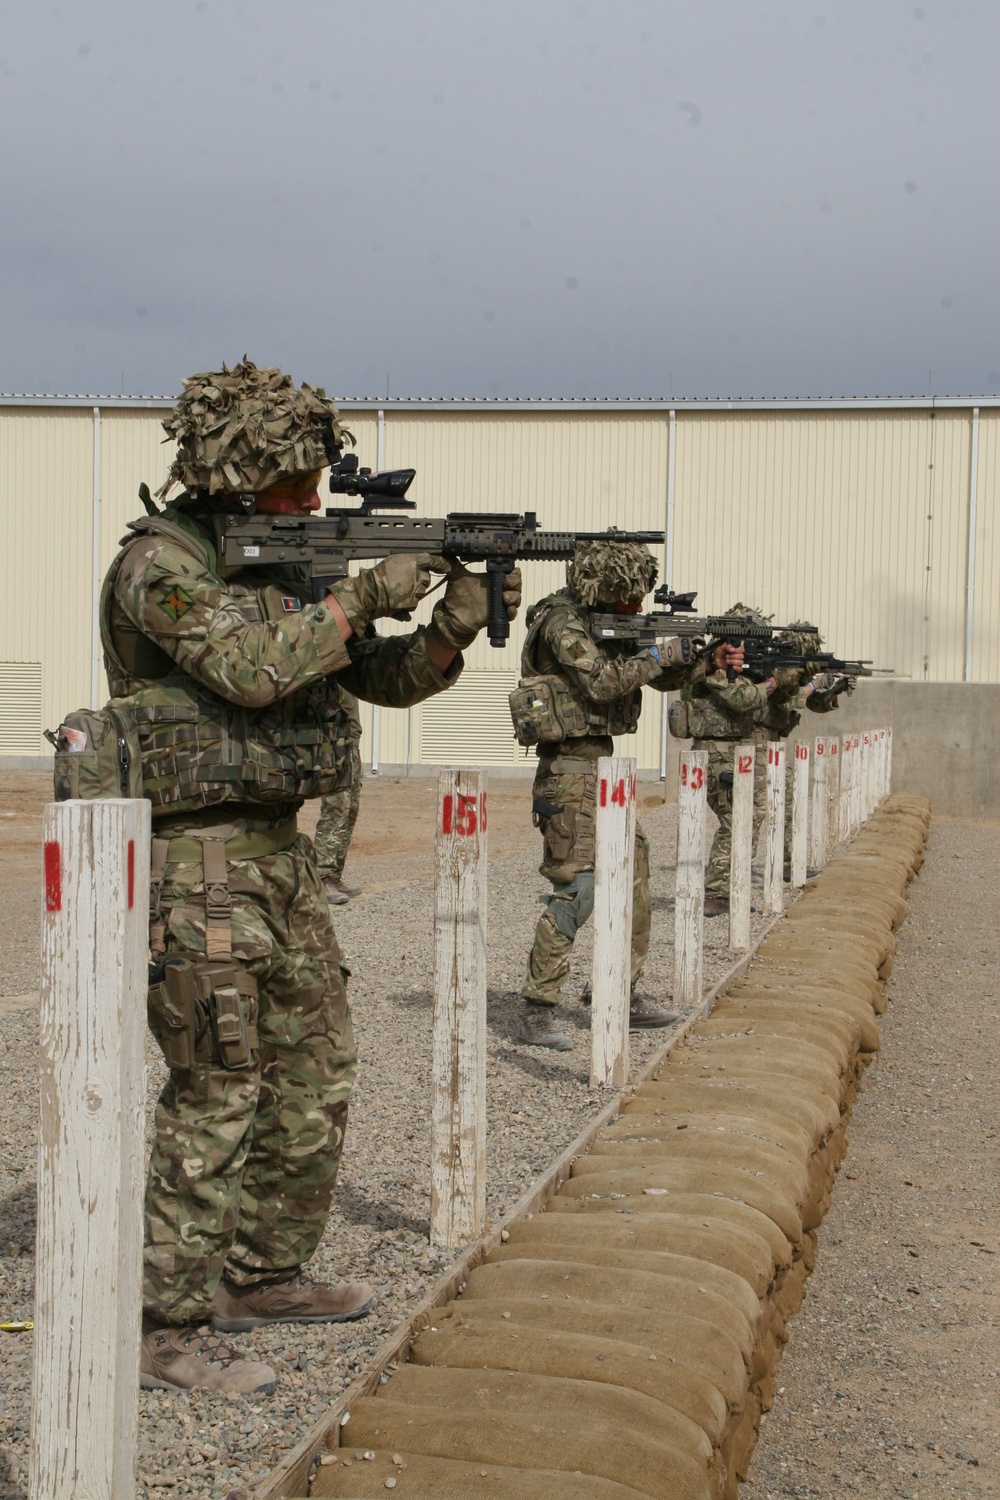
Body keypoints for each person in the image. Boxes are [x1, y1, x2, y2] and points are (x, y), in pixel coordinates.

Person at [101, 360, 520, 1394]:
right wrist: (361, 594)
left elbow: (370, 678)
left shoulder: (284, 565)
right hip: (196, 858)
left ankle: (260, 1273)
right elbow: (251, 670)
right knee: (220, 1083)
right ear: (238, 476)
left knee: (316, 1069)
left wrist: (447, 628)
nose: (316, 500)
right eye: (295, 482)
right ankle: (168, 1323)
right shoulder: (160, 567)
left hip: (279, 857)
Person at [513, 540, 719, 1051]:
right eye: (630, 599)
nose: (638, 609)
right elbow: (603, 683)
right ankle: (537, 1007)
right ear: (604, 588)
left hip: (604, 765)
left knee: (635, 871)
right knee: (578, 885)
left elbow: (653, 674)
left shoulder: (607, 624)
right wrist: (654, 654)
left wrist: (701, 660)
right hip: (570, 770)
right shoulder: (563, 623)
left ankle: (621, 990)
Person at [676, 609, 848, 915]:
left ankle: (757, 877)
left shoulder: (744, 670)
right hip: (718, 754)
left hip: (742, 751)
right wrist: (780, 681)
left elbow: (787, 700)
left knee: (758, 810)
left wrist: (813, 685)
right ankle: (717, 892)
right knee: (739, 818)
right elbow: (743, 699)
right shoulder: (714, 666)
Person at [314, 689, 363, 903]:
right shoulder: (331, 676)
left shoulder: (350, 678)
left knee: (349, 811)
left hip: (351, 750)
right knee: (336, 811)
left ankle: (334, 875)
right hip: (335, 751)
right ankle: (322, 877)